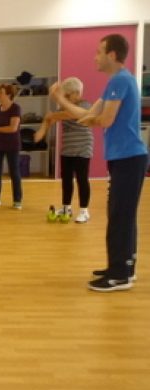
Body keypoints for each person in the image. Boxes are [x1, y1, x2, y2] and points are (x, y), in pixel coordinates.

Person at [51, 34, 148, 292]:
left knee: (120, 216)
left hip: (129, 158)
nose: (95, 57)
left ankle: (120, 275)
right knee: (121, 214)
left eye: (99, 52)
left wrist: (92, 120)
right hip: (123, 159)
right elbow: (86, 114)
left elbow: (104, 120)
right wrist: (61, 100)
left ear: (112, 55)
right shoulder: (115, 82)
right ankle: (123, 266)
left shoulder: (120, 80)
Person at [34, 77, 93, 223]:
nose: (65, 99)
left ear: (77, 93)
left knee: (82, 179)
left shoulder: (85, 105)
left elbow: (70, 114)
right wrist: (42, 131)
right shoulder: (63, 108)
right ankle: (67, 208)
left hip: (83, 148)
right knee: (66, 179)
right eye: (64, 96)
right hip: (67, 149)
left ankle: (84, 211)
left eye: (67, 95)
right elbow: (50, 120)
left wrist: (53, 114)